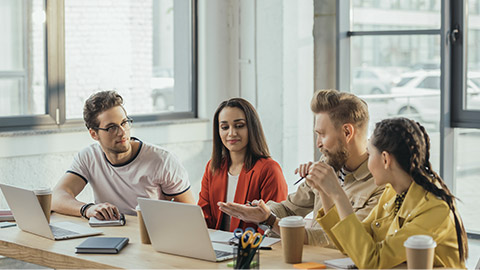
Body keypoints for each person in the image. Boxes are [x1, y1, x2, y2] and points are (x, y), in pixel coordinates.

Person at [218, 89, 384, 245]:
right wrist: (260, 210)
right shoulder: (329, 163)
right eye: (316, 134)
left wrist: (269, 220)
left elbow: (340, 242)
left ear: (347, 133)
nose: (318, 144)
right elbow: (289, 209)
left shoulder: (382, 183)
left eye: (322, 134)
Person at [310, 118, 467, 269]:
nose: (367, 160)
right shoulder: (393, 192)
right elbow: (354, 245)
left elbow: (372, 261)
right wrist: (325, 192)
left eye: (369, 155)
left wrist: (338, 194)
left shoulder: (435, 209)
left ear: (385, 159)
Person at [52, 91, 195, 220]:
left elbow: (192, 216)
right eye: (111, 127)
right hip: (109, 234)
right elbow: (56, 197)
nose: (122, 132)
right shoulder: (89, 156)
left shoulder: (162, 161)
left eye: (124, 123)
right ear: (94, 134)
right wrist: (87, 209)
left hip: (150, 236)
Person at [198, 98, 288, 231]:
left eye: (239, 126)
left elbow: (273, 227)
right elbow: (203, 219)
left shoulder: (269, 170)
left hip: (255, 249)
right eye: (224, 127)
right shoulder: (213, 168)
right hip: (216, 247)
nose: (231, 133)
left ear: (251, 127)